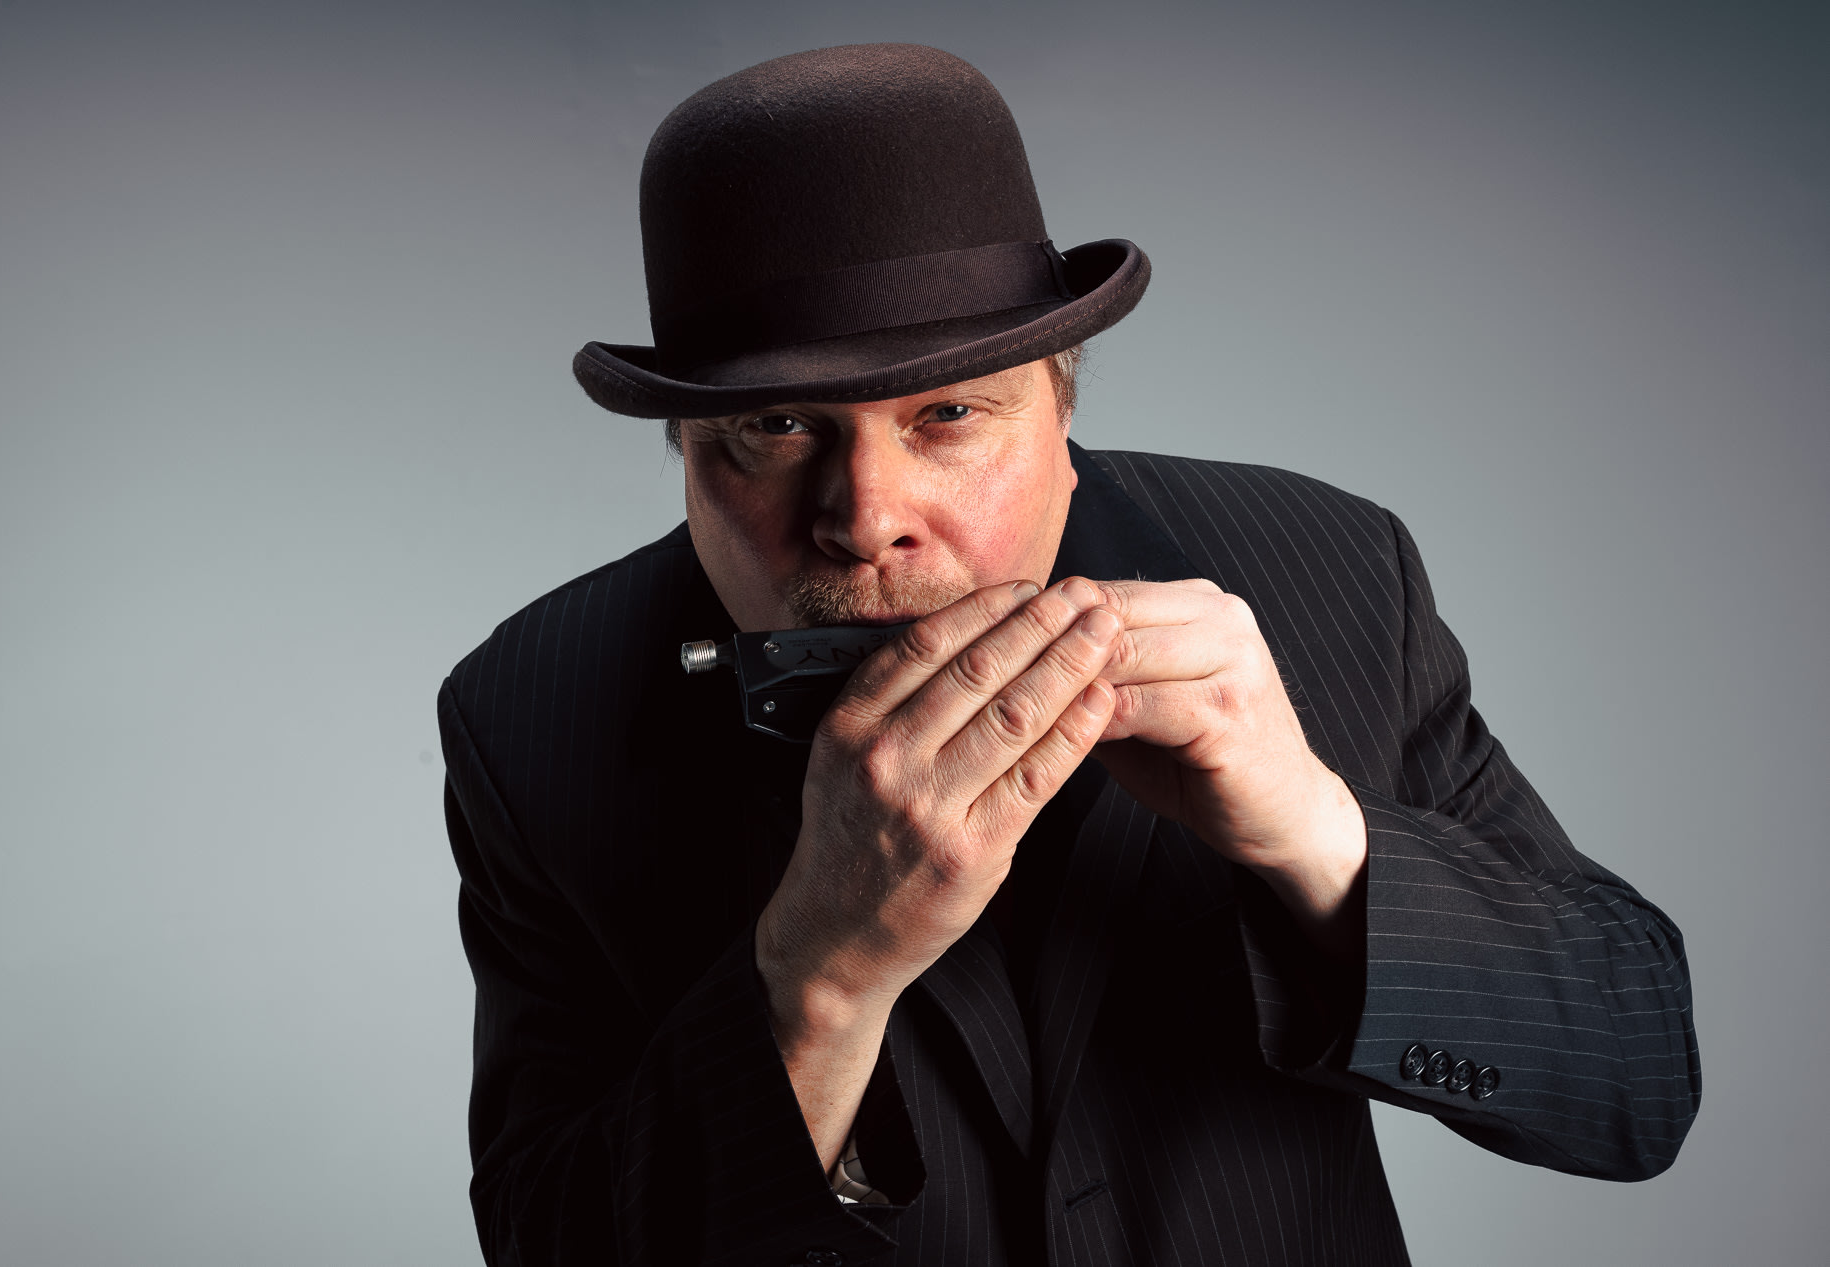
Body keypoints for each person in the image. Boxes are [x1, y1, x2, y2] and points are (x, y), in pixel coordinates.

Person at [438, 43, 1699, 1266]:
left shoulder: (1335, 571)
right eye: (775, 426)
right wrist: (817, 976)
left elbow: (1637, 1081)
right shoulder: (528, 713)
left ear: (1061, 402)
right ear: (686, 450)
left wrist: (1316, 833)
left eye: (947, 412)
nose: (866, 516)